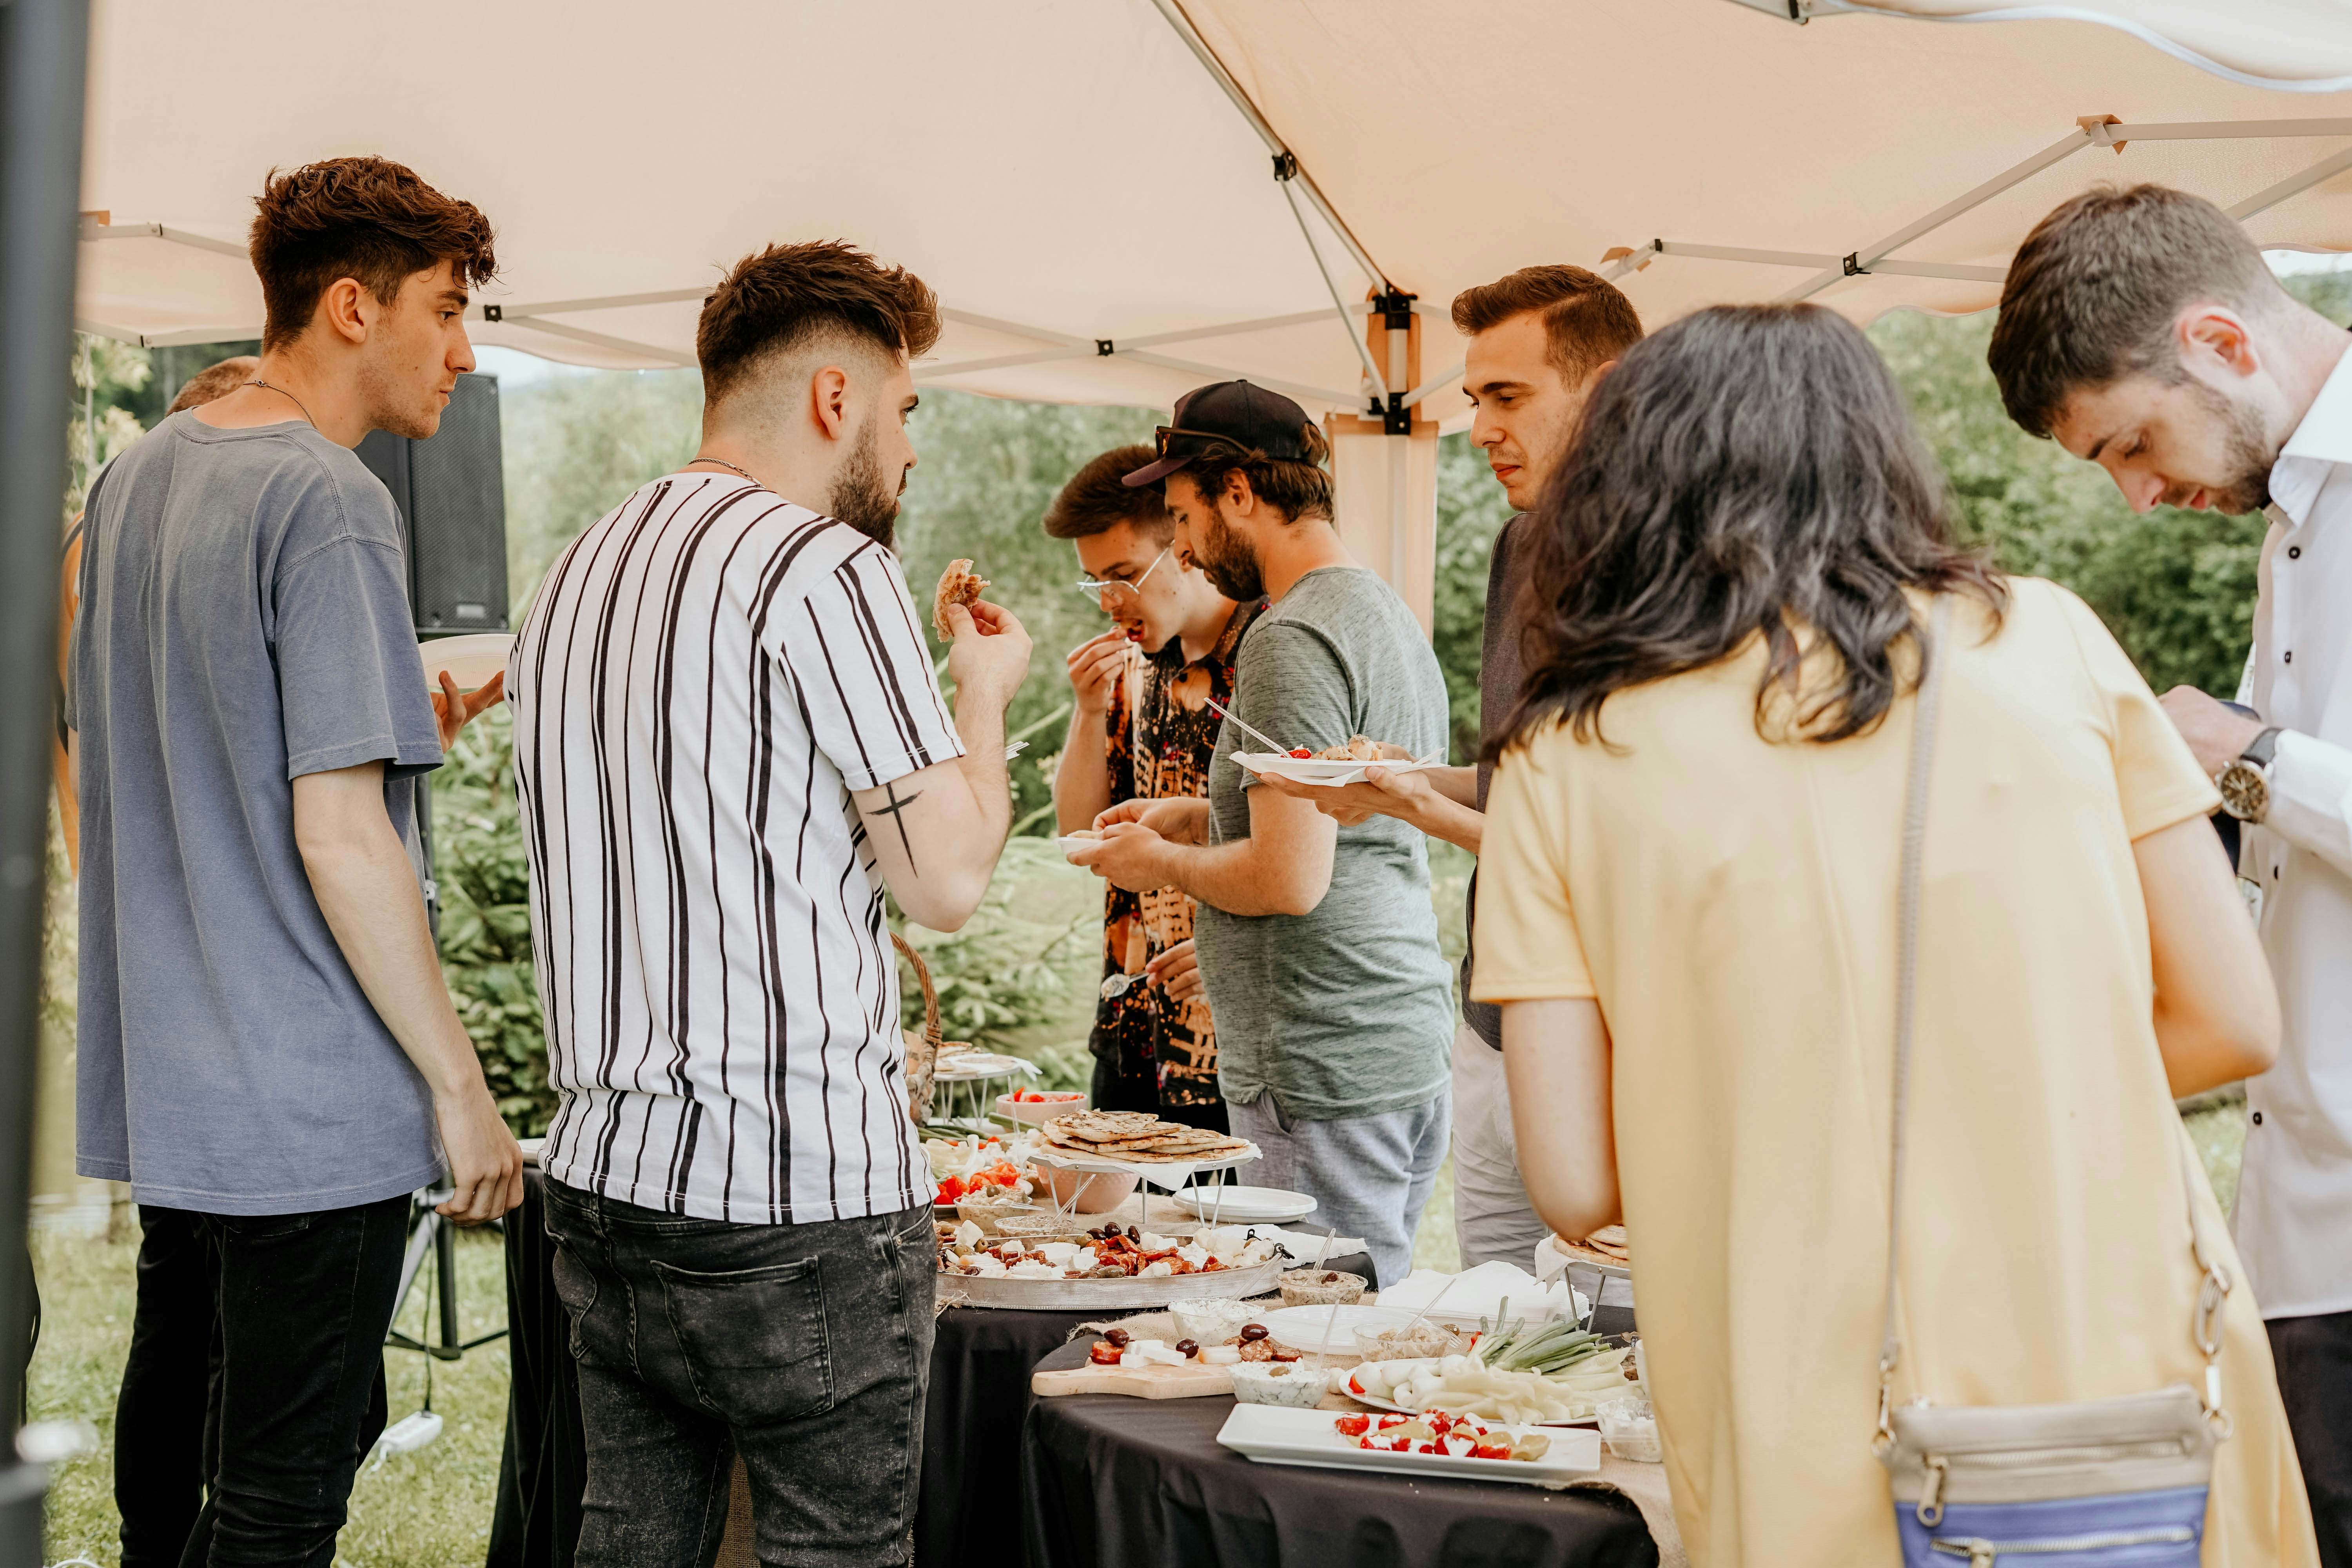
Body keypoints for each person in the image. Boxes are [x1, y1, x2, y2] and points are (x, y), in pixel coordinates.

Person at [1472, 303, 2315, 1564]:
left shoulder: (1565, 749)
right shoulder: (2051, 642)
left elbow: (1579, 1177)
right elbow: (2233, 1017)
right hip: (2103, 1366)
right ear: (1878, 453)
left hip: (1783, 1379)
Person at [512, 239, 1031, 1568]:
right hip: (798, 1192)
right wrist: (983, 702)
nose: (910, 450)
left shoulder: (575, 572)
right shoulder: (827, 570)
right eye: (907, 409)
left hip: (607, 1180)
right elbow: (948, 881)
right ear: (834, 398)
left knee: (633, 1546)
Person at [69, 158, 521, 1563]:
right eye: (445, 310)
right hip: (304, 1111)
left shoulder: (135, 476)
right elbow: (341, 831)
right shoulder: (330, 500)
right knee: (280, 1505)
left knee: (177, 1484)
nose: (462, 349)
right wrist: (463, 1093)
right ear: (349, 307)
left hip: (181, 1091)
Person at [1987, 182, 2352, 1567]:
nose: (2141, 496)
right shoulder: (2294, 522)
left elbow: (2271, 771)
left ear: (2221, 338)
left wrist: (2248, 751)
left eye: (2132, 443)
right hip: (2300, 1219)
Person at [1257, 265, 1641, 1270]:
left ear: (1604, 390)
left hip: (1612, 1028)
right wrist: (1412, 778)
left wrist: (1423, 808)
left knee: (1603, 1337)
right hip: (1490, 1009)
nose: (1479, 428)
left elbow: (1608, 850)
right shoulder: (1517, 548)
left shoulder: (1676, 577)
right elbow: (1522, 786)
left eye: (1507, 397)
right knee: (1496, 1320)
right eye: (1473, 399)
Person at [1074, 381, 1453, 1286]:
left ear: (1239, 491)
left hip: (1318, 1062)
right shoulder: (1382, 611)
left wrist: (1156, 860)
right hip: (1393, 1038)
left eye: (1185, 517)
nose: (1190, 552)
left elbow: (1290, 879)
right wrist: (1198, 815)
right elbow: (1344, 817)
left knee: (1318, 1342)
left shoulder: (1289, 636)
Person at [55, 352, 253, 1567]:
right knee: (196, 1310)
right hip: (200, 986)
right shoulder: (117, 544)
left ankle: (160, 1545)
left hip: (165, 973)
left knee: (181, 1302)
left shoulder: (116, 544)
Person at [1047, 445, 1259, 1131]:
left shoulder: (1270, 656)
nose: (1110, 602)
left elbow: (1317, 850)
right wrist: (1085, 712)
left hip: (1232, 1038)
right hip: (1131, 1028)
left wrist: (1235, 947)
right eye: (1094, 582)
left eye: (1124, 574)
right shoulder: (1135, 670)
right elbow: (1082, 831)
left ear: (1186, 547)